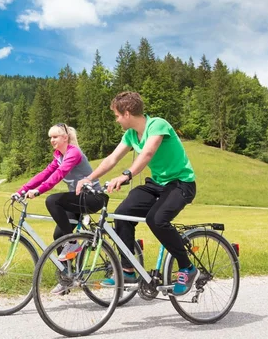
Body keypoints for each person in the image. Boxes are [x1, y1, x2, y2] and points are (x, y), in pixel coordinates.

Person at [76, 91, 198, 295]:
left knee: (157, 219)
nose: (116, 120)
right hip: (157, 184)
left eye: (116, 115)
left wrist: (126, 175)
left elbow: (148, 153)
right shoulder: (131, 134)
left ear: (127, 112)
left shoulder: (158, 125)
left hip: (181, 183)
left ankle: (187, 267)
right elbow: (111, 159)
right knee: (122, 214)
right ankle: (128, 270)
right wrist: (89, 178)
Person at [12, 123, 103, 294]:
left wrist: (39, 191)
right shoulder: (59, 156)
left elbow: (59, 174)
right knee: (58, 235)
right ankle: (68, 276)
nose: (52, 140)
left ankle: (73, 242)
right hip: (78, 200)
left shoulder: (73, 153)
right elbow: (44, 174)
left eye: (55, 137)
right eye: (50, 137)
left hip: (92, 198)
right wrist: (21, 190)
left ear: (65, 138)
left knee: (52, 200)